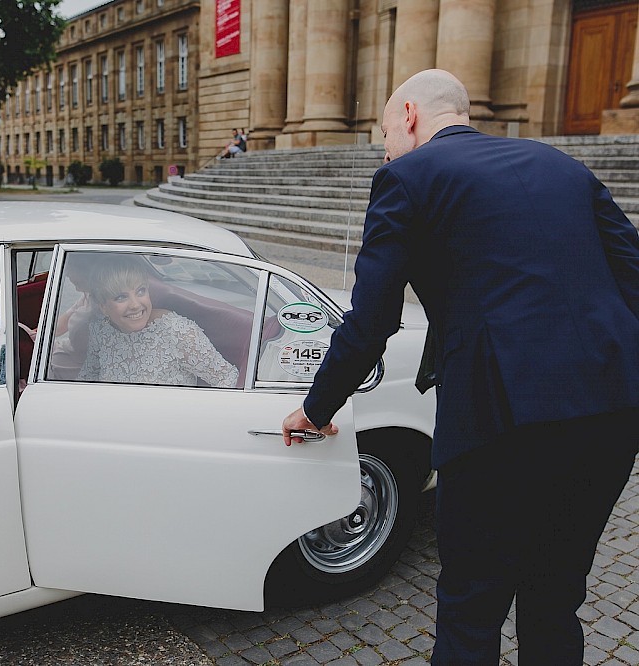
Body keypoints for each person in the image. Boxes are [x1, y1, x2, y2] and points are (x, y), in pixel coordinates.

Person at [281, 69, 639, 664]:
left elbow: (372, 322)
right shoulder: (562, 166)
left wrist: (316, 408)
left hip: (500, 421)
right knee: (554, 598)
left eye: (386, 132)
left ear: (411, 115)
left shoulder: (405, 178)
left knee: (472, 604)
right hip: (611, 413)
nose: (385, 147)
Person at [76, 257, 238, 387]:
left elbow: (227, 378)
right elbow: (87, 379)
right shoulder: (101, 330)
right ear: (103, 307)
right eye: (121, 297)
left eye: (140, 291)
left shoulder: (177, 332)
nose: (135, 305)